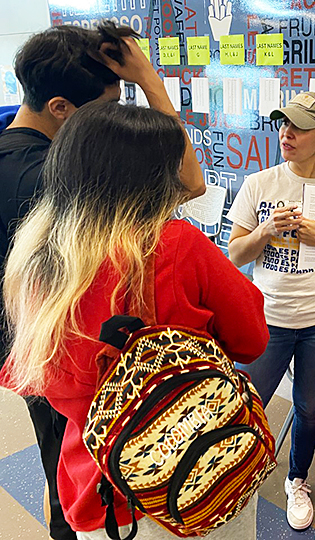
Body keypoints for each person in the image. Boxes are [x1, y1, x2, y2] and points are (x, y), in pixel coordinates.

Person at [1, 101, 268, 539]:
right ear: (151, 178)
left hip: (101, 488)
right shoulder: (175, 243)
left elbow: (42, 382)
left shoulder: (35, 259)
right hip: (198, 465)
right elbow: (252, 339)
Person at [0, 24, 205, 540]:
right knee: (87, 483)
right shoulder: (56, 177)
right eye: (106, 107)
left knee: (64, 471)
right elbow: (189, 183)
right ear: (63, 108)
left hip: (36, 351)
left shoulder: (12, 154)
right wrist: (151, 83)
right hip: (68, 360)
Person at [226, 92, 315, 531]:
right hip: (267, 318)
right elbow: (234, 254)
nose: (285, 134)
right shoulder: (260, 184)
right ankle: (232, 476)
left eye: (297, 127)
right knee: (246, 403)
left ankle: (297, 479)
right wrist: (267, 231)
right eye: (282, 124)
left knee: (310, 409)